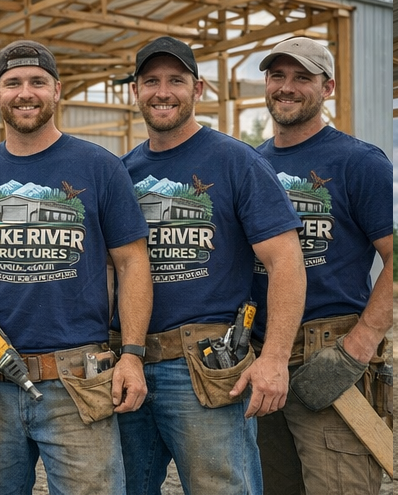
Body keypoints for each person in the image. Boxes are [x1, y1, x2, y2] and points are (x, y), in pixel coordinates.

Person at [0, 39, 153, 494]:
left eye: (37, 81)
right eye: (12, 83)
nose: (24, 92)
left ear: (57, 91)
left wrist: (132, 353)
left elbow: (132, 264)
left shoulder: (99, 168)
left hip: (76, 382)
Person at [114, 36, 306, 494]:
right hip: (132, 363)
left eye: (176, 80)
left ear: (198, 89)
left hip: (206, 367)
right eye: (151, 81)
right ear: (134, 91)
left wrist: (275, 358)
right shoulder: (122, 172)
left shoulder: (236, 160)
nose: (163, 92)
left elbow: (285, 261)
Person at [251, 37, 393, 495]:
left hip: (331, 356)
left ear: (327, 88)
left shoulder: (359, 162)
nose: (287, 87)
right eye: (278, 76)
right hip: (260, 360)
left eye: (302, 78)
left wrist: (362, 343)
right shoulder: (251, 163)